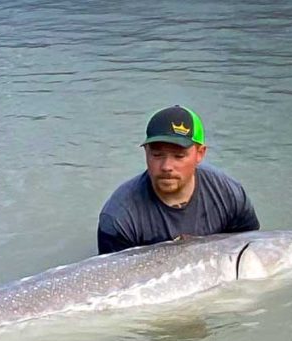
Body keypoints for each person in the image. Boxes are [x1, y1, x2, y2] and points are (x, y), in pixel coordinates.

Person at [97, 105, 259, 255]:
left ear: (200, 153)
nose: (166, 166)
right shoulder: (118, 217)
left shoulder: (229, 194)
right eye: (157, 155)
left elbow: (249, 247)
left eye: (179, 156)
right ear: (145, 152)